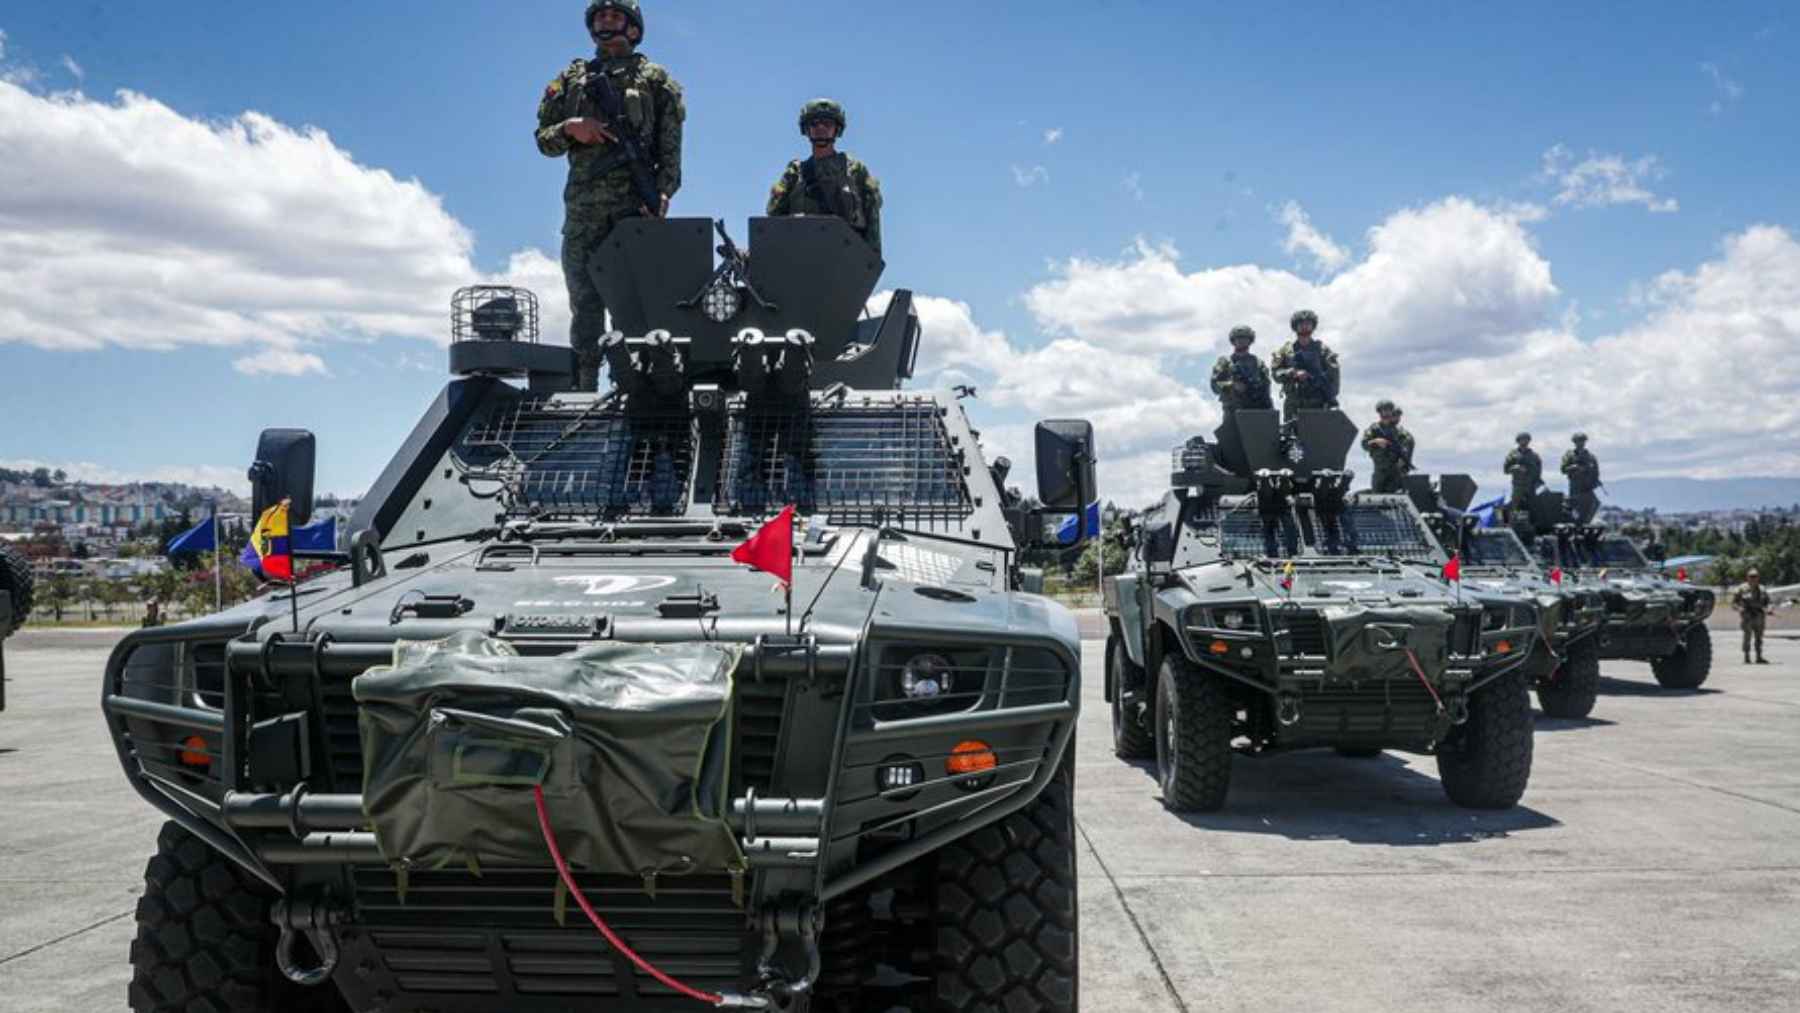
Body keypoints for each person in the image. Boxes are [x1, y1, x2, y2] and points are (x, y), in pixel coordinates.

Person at [536, 0, 686, 391]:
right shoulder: (571, 79)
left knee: (631, 303)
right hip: (583, 207)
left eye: (615, 16)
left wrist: (664, 193)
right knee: (584, 302)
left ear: (633, 28)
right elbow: (543, 140)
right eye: (600, 16)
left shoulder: (657, 80)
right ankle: (584, 391)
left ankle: (630, 390)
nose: (606, 21)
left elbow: (670, 149)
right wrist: (571, 127)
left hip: (634, 207)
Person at [767, 98, 883, 255]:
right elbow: (773, 224)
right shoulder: (795, 173)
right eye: (814, 123)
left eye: (827, 124)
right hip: (800, 260)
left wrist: (870, 264)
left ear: (837, 129)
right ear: (806, 129)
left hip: (846, 261)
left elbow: (872, 222)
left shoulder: (855, 170)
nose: (820, 128)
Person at [1270, 310, 1340, 422]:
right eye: (1301, 324)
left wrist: (1329, 396)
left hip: (1318, 403)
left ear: (1313, 326)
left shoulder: (1323, 350)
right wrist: (1291, 372)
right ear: (1295, 326)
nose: (1304, 327)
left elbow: (1334, 377)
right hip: (1294, 403)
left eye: (1308, 324)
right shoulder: (1286, 350)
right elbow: (1275, 374)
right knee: (1291, 437)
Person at [1208, 325, 1274, 417]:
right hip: (1233, 411)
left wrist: (1270, 410)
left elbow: (1266, 388)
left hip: (1257, 409)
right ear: (1233, 341)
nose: (1240, 341)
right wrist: (1232, 385)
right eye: (1237, 338)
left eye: (1244, 338)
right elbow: (1214, 385)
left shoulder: (1258, 363)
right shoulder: (1225, 362)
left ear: (1250, 340)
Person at [1360, 400, 1414, 494]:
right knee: (1376, 498)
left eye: (1388, 410)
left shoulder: (1399, 431)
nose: (1386, 413)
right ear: (1379, 412)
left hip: (1395, 471)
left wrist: (1404, 458)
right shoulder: (1374, 429)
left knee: (1393, 499)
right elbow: (1364, 444)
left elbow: (1409, 443)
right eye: (1383, 410)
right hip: (1380, 470)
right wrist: (1375, 441)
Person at [1733, 568, 1772, 664]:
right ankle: (1747, 657)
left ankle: (1759, 657)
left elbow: (1768, 602)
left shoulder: (1762, 589)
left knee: (1759, 637)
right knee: (1747, 637)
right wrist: (1739, 609)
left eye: (1755, 576)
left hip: (1759, 617)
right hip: (1747, 617)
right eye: (1751, 576)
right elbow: (1734, 603)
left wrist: (1769, 609)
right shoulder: (1741, 589)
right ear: (1747, 577)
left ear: (1758, 577)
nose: (1753, 578)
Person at [1562, 432, 1602, 524]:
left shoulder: (1591, 456)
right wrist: (1574, 467)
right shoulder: (1569, 455)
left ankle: (1585, 523)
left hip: (1587, 486)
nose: (1581, 443)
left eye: (1582, 441)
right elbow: (1563, 469)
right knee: (1575, 506)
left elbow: (1596, 472)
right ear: (1574, 442)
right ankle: (1576, 523)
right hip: (1575, 486)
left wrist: (1594, 481)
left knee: (1593, 504)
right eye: (1578, 441)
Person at [1503, 432, 1542, 523]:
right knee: (1514, 505)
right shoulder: (1513, 454)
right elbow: (1505, 470)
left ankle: (1532, 525)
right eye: (1522, 439)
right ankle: (1508, 523)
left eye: (1526, 439)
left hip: (1530, 485)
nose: (1524, 441)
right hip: (1518, 484)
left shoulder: (1534, 456)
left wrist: (1535, 480)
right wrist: (1515, 467)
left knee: (1532, 506)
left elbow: (1538, 472)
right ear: (1518, 441)